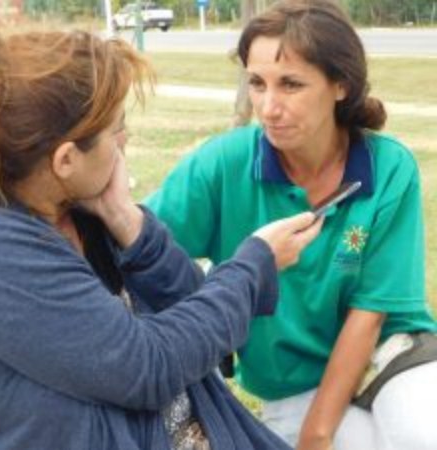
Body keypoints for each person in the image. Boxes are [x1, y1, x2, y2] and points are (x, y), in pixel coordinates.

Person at [0, 25, 322, 449]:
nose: (125, 140)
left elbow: (193, 309)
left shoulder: (78, 210)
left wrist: (127, 221)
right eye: (116, 128)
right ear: (65, 160)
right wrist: (254, 265)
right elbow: (149, 367)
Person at [146, 1, 437, 449]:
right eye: (257, 83)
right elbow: (139, 246)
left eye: (291, 84)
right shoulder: (223, 164)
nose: (268, 107)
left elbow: (371, 313)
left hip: (390, 356)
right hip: (291, 380)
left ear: (341, 84)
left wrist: (316, 436)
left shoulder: (389, 165)